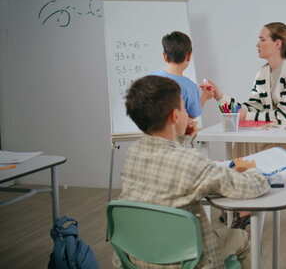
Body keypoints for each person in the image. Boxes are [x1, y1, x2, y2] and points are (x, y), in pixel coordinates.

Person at [114, 75, 270, 269]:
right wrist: (252, 170)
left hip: (137, 256)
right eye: (184, 107)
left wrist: (183, 139)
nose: (188, 113)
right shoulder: (191, 164)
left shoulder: (133, 154)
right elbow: (251, 187)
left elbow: (167, 159)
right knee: (241, 238)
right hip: (188, 262)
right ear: (175, 116)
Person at [205, 22, 286, 161]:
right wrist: (220, 96)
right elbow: (251, 107)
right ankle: (243, 179)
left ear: (277, 44)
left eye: (262, 39)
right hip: (277, 136)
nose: (257, 44)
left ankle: (247, 179)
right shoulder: (263, 73)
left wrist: (246, 116)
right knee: (238, 145)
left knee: (254, 154)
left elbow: (285, 118)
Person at [152, 31, 213, 118]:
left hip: (151, 130)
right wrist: (205, 96)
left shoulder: (150, 79)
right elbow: (193, 114)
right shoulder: (190, 86)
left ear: (165, 56)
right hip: (178, 132)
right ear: (188, 56)